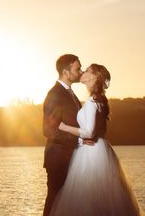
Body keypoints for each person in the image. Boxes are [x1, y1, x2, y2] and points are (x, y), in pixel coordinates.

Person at [49, 63, 142, 216]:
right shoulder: (98, 101)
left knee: (88, 199)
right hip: (98, 150)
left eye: (86, 71)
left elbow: (89, 131)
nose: (82, 72)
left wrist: (63, 126)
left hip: (91, 153)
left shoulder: (92, 102)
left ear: (93, 77)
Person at [42, 54, 84, 216]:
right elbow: (48, 130)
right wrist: (79, 138)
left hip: (71, 158)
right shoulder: (55, 94)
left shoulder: (70, 94)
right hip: (58, 159)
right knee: (54, 202)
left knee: (68, 205)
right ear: (66, 72)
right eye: (77, 68)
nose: (80, 72)